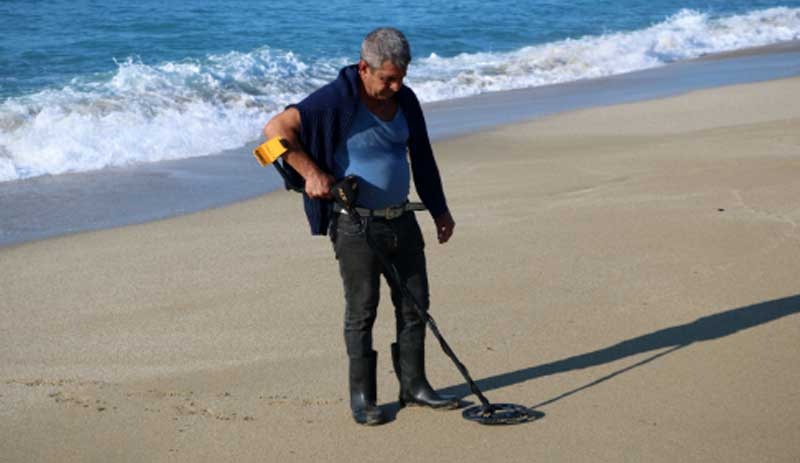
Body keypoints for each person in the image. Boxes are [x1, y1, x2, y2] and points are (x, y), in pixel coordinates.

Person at [262, 27, 458, 426]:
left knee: (415, 304)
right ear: (364, 68)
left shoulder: (405, 99)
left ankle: (414, 386)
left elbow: (421, 156)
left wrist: (439, 209)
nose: (396, 84)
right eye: (388, 77)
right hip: (355, 226)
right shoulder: (336, 99)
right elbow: (272, 135)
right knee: (362, 311)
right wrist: (311, 172)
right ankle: (363, 397)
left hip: (401, 219)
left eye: (401, 76)